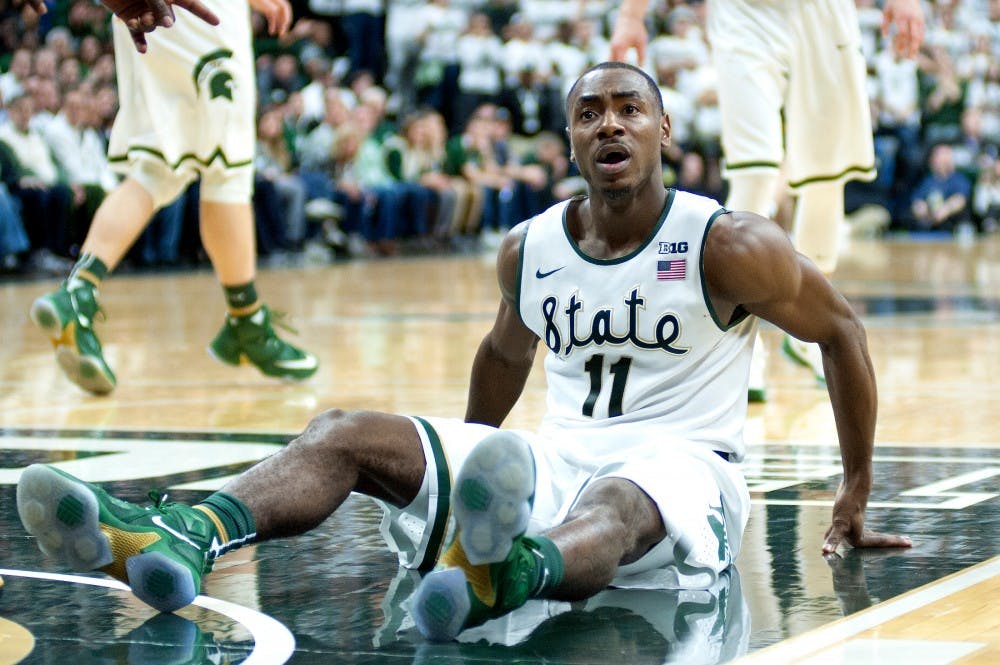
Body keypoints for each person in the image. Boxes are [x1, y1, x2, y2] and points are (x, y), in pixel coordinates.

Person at [16, 63, 911, 642]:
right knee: (342, 429)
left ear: (663, 132)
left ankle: (502, 571)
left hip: (684, 470)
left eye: (629, 110)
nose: (610, 125)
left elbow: (843, 333)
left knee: (614, 499)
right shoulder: (530, 246)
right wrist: (464, 466)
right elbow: (503, 353)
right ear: (567, 140)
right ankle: (185, 530)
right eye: (589, 113)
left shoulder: (728, 242)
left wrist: (853, 491)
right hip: (554, 459)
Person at [610, 0, 924, 401]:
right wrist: (630, 15)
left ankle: (812, 324)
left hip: (823, 14)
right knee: (754, 170)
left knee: (826, 175)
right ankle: (743, 340)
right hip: (743, 12)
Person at [27, 0, 318, 395]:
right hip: (203, 16)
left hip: (139, 12)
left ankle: (79, 292)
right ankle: (247, 321)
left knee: (158, 170)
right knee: (227, 171)